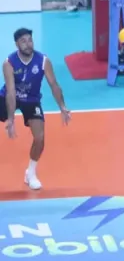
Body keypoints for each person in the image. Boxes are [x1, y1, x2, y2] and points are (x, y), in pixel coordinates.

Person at [1, 28, 71, 190]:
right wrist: (10, 119)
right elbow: (11, 92)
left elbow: (54, 85)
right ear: (17, 44)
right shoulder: (9, 63)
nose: (28, 44)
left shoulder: (43, 61)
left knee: (40, 138)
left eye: (30, 40)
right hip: (9, 96)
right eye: (23, 41)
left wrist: (62, 107)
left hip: (31, 100)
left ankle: (30, 173)